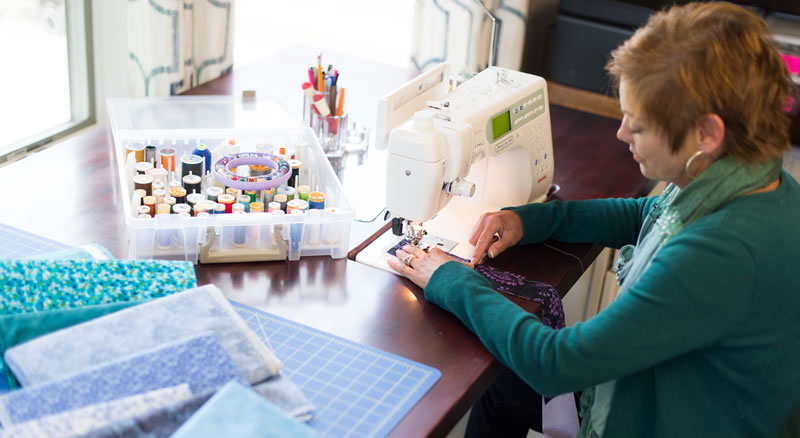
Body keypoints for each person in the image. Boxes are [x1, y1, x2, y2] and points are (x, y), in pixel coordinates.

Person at [387, 2, 800, 437]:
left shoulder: (719, 255)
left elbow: (557, 363)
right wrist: (531, 221)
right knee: (502, 388)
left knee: (510, 375)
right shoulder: (750, 179)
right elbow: (645, 214)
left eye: (637, 126)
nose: (622, 133)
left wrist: (452, 280)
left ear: (707, 133)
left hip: (672, 418)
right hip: (681, 389)